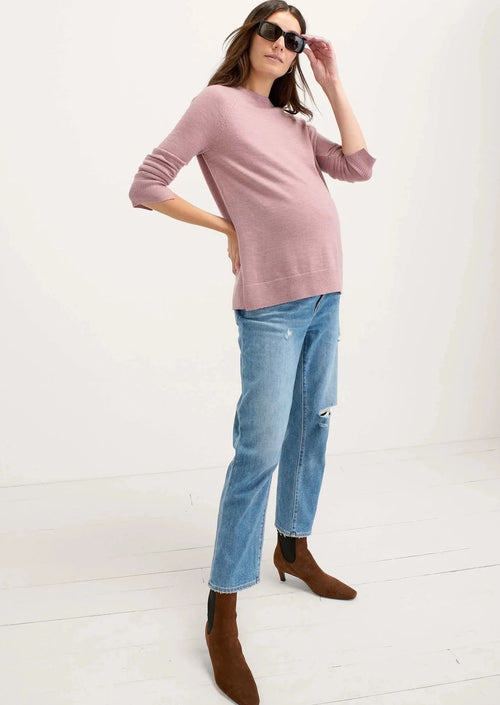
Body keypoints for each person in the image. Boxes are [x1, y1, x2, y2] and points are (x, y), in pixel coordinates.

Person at [129, 2, 376, 703]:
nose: (282, 43)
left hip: (327, 294)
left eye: (295, 39)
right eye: (273, 30)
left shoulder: (292, 123)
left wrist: (332, 83)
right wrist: (226, 225)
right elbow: (146, 184)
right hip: (272, 306)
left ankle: (293, 547)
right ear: (250, 35)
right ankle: (223, 609)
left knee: (312, 426)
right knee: (259, 451)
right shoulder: (216, 105)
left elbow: (358, 165)